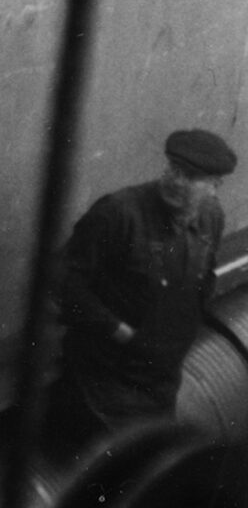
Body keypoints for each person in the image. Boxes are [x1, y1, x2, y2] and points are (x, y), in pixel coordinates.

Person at [45, 128, 235, 455]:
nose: (175, 180)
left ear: (214, 187)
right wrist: (121, 333)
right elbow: (63, 282)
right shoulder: (119, 213)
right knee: (123, 478)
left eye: (190, 176)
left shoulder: (211, 220)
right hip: (103, 382)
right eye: (172, 168)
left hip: (160, 382)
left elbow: (200, 283)